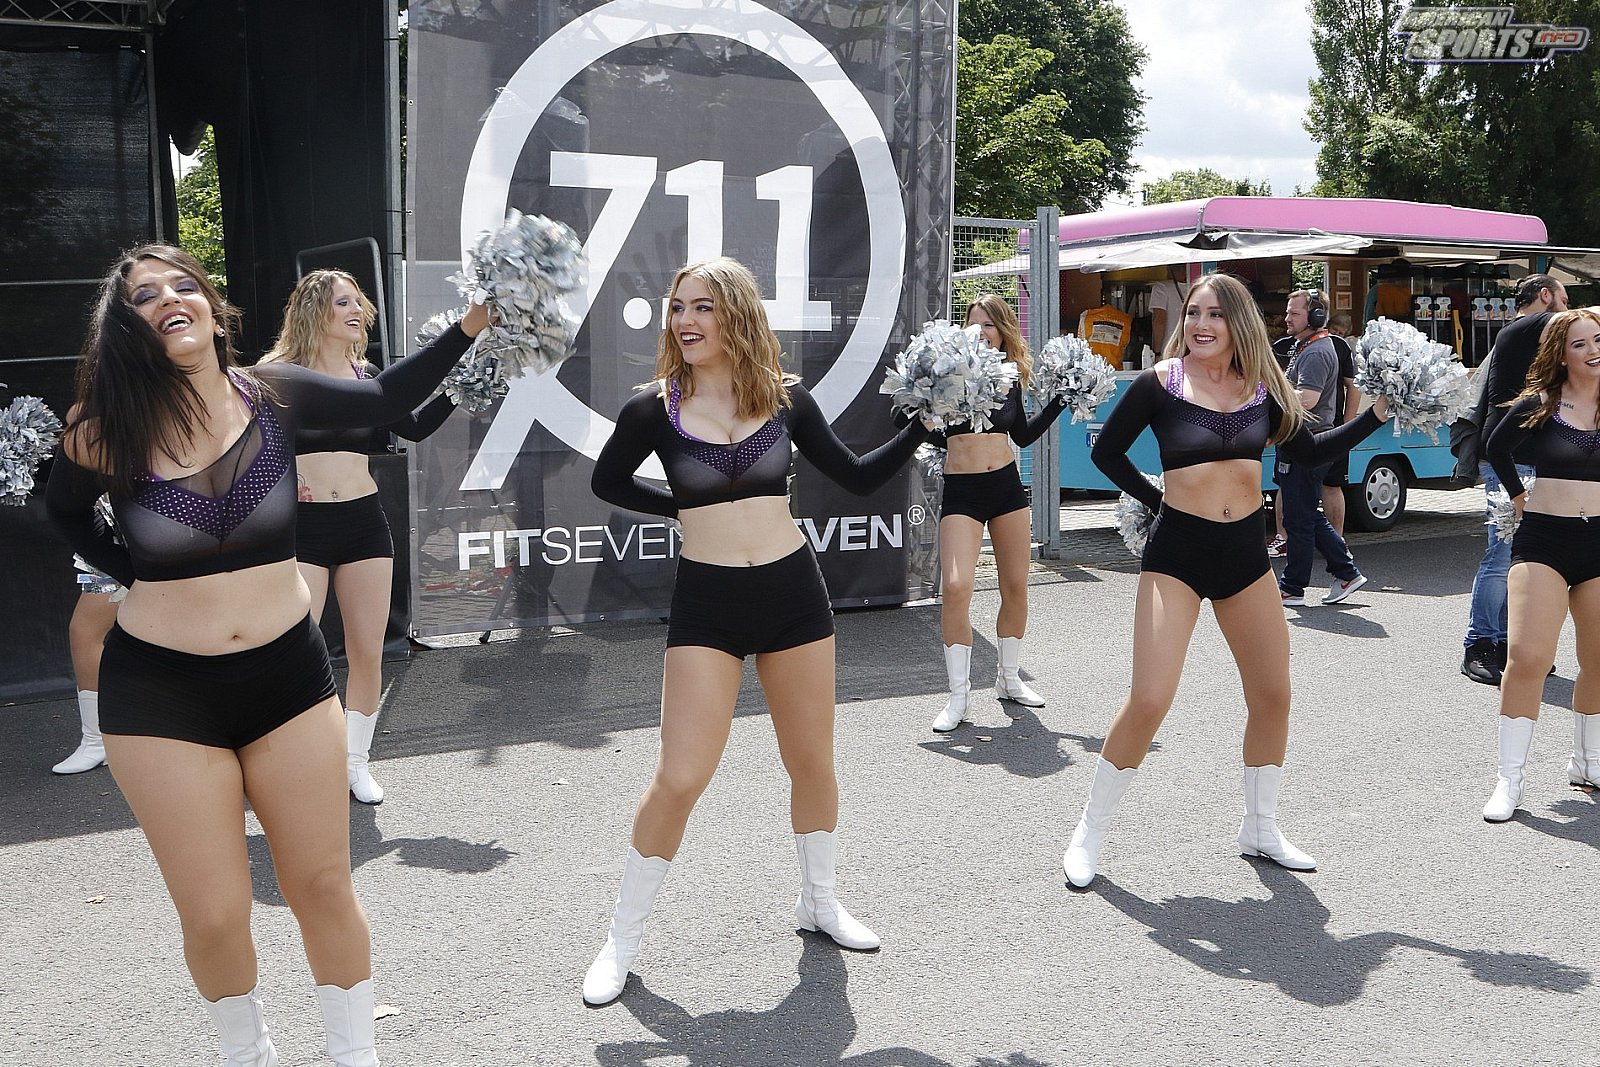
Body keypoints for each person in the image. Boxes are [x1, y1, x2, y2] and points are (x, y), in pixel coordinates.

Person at [46, 244, 487, 1066]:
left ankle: (355, 1055)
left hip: (288, 679)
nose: (169, 298)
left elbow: (387, 398)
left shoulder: (275, 394)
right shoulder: (101, 431)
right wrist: (134, 571)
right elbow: (64, 512)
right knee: (215, 916)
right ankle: (248, 1052)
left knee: (322, 885)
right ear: (125, 328)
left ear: (213, 310)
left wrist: (474, 321)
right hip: (161, 695)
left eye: (184, 284)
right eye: (144, 295)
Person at [583, 257, 928, 1006]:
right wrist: (684, 507)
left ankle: (820, 901)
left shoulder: (786, 399)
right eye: (679, 307)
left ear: (736, 313)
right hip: (708, 601)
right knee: (680, 775)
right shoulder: (653, 409)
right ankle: (621, 939)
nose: (686, 321)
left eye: (702, 307)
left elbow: (858, 475)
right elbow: (606, 481)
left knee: (812, 762)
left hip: (792, 593)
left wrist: (923, 426)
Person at [1064, 273, 1389, 888]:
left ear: (1238, 322)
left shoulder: (1265, 388)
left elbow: (1311, 451)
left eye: (1214, 314)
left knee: (1273, 695)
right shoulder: (1160, 382)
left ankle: (1260, 827)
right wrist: (1155, 500)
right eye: (1193, 313)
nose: (1200, 324)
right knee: (1150, 698)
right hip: (1178, 555)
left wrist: (1376, 414)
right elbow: (1108, 452)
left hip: (1245, 556)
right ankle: (1090, 832)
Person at [261, 270, 459, 805]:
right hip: (302, 528)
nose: (356, 310)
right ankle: (294, 761)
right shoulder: (277, 375)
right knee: (295, 652)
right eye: (342, 302)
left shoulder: (365, 374)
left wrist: (466, 387)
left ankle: (355, 763)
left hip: (363, 523)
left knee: (368, 650)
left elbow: (414, 427)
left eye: (357, 302)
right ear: (313, 312)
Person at [1480, 307, 1600, 822]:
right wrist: (1517, 496)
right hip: (1545, 540)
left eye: (1598, 340)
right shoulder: (1542, 402)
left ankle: (1588, 762)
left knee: (1598, 659)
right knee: (1528, 657)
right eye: (1580, 344)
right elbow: (1495, 446)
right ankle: (1509, 780)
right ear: (1562, 354)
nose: (1593, 350)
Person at [929, 295, 1067, 732]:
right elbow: (910, 422)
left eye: (990, 325)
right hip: (963, 491)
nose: (982, 332)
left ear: (1004, 332)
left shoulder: (1009, 379)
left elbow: (1022, 436)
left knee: (1016, 586)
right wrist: (939, 423)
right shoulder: (945, 374)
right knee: (956, 587)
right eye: (974, 324)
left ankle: (1009, 679)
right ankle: (958, 696)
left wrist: (1062, 400)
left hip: (1006, 488)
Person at [1461, 274, 1569, 686]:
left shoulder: (1533, 335)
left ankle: (1507, 644)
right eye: (1563, 300)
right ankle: (1479, 644)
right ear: (1545, 296)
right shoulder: (1521, 329)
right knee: (1501, 555)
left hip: (1532, 459)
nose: (1567, 309)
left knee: (1523, 558)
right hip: (1511, 459)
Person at [1277, 289, 1367, 608]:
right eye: (1288, 312)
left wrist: (1269, 398)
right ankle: (1345, 573)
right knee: (1302, 515)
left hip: (1307, 442)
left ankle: (1294, 587)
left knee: (1299, 520)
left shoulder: (1315, 352)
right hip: (1302, 440)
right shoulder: (1308, 346)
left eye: (1294, 313)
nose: (1287, 318)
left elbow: (1307, 399)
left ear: (1316, 316)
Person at [51, 567, 120, 774]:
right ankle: (97, 739)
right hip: (127, 555)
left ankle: (97, 741)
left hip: (129, 555)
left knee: (85, 631)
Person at [1148, 264, 1190, 354]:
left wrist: (1157, 352)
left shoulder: (1161, 287)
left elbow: (1159, 321)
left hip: (1169, 350)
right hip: (1190, 350)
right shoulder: (1196, 288)